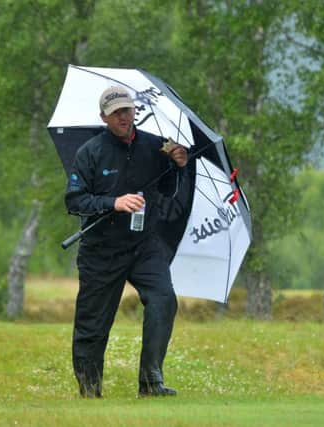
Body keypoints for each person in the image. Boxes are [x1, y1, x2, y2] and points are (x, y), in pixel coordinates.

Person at [64, 85, 188, 398]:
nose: (123, 116)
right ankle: (90, 390)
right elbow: (75, 201)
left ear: (135, 111)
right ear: (103, 116)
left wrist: (177, 165)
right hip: (101, 249)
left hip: (144, 245)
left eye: (127, 110)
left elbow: (168, 190)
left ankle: (151, 382)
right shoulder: (90, 152)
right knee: (93, 323)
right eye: (116, 112)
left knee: (164, 299)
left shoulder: (156, 146)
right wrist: (113, 203)